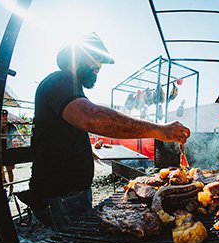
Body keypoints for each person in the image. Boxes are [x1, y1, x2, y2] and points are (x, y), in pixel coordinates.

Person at [29, 32, 190, 230]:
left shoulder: (67, 85)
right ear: (78, 54)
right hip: (61, 197)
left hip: (68, 194)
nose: (99, 66)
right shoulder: (61, 80)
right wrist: (158, 130)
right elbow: (92, 117)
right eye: (97, 59)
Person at [1, 109, 22, 193]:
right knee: (0, 169)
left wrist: (18, 140)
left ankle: (11, 186)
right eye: (2, 115)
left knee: (9, 170)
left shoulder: (11, 126)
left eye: (5, 115)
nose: (4, 117)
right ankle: (4, 182)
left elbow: (19, 136)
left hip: (9, 150)